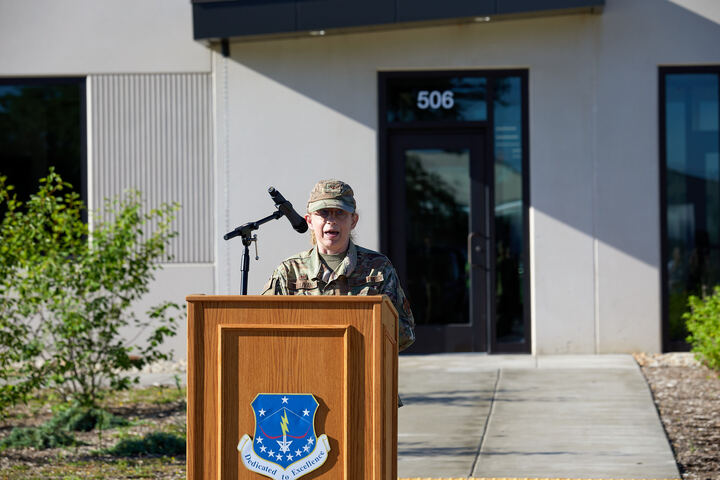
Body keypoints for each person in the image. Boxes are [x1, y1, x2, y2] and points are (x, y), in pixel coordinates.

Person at [261, 179, 415, 352]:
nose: (331, 220)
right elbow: (265, 332)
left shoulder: (378, 268)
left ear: (353, 221)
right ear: (310, 221)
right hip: (304, 370)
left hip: (362, 370)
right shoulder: (289, 272)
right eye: (323, 213)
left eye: (340, 213)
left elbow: (405, 334)